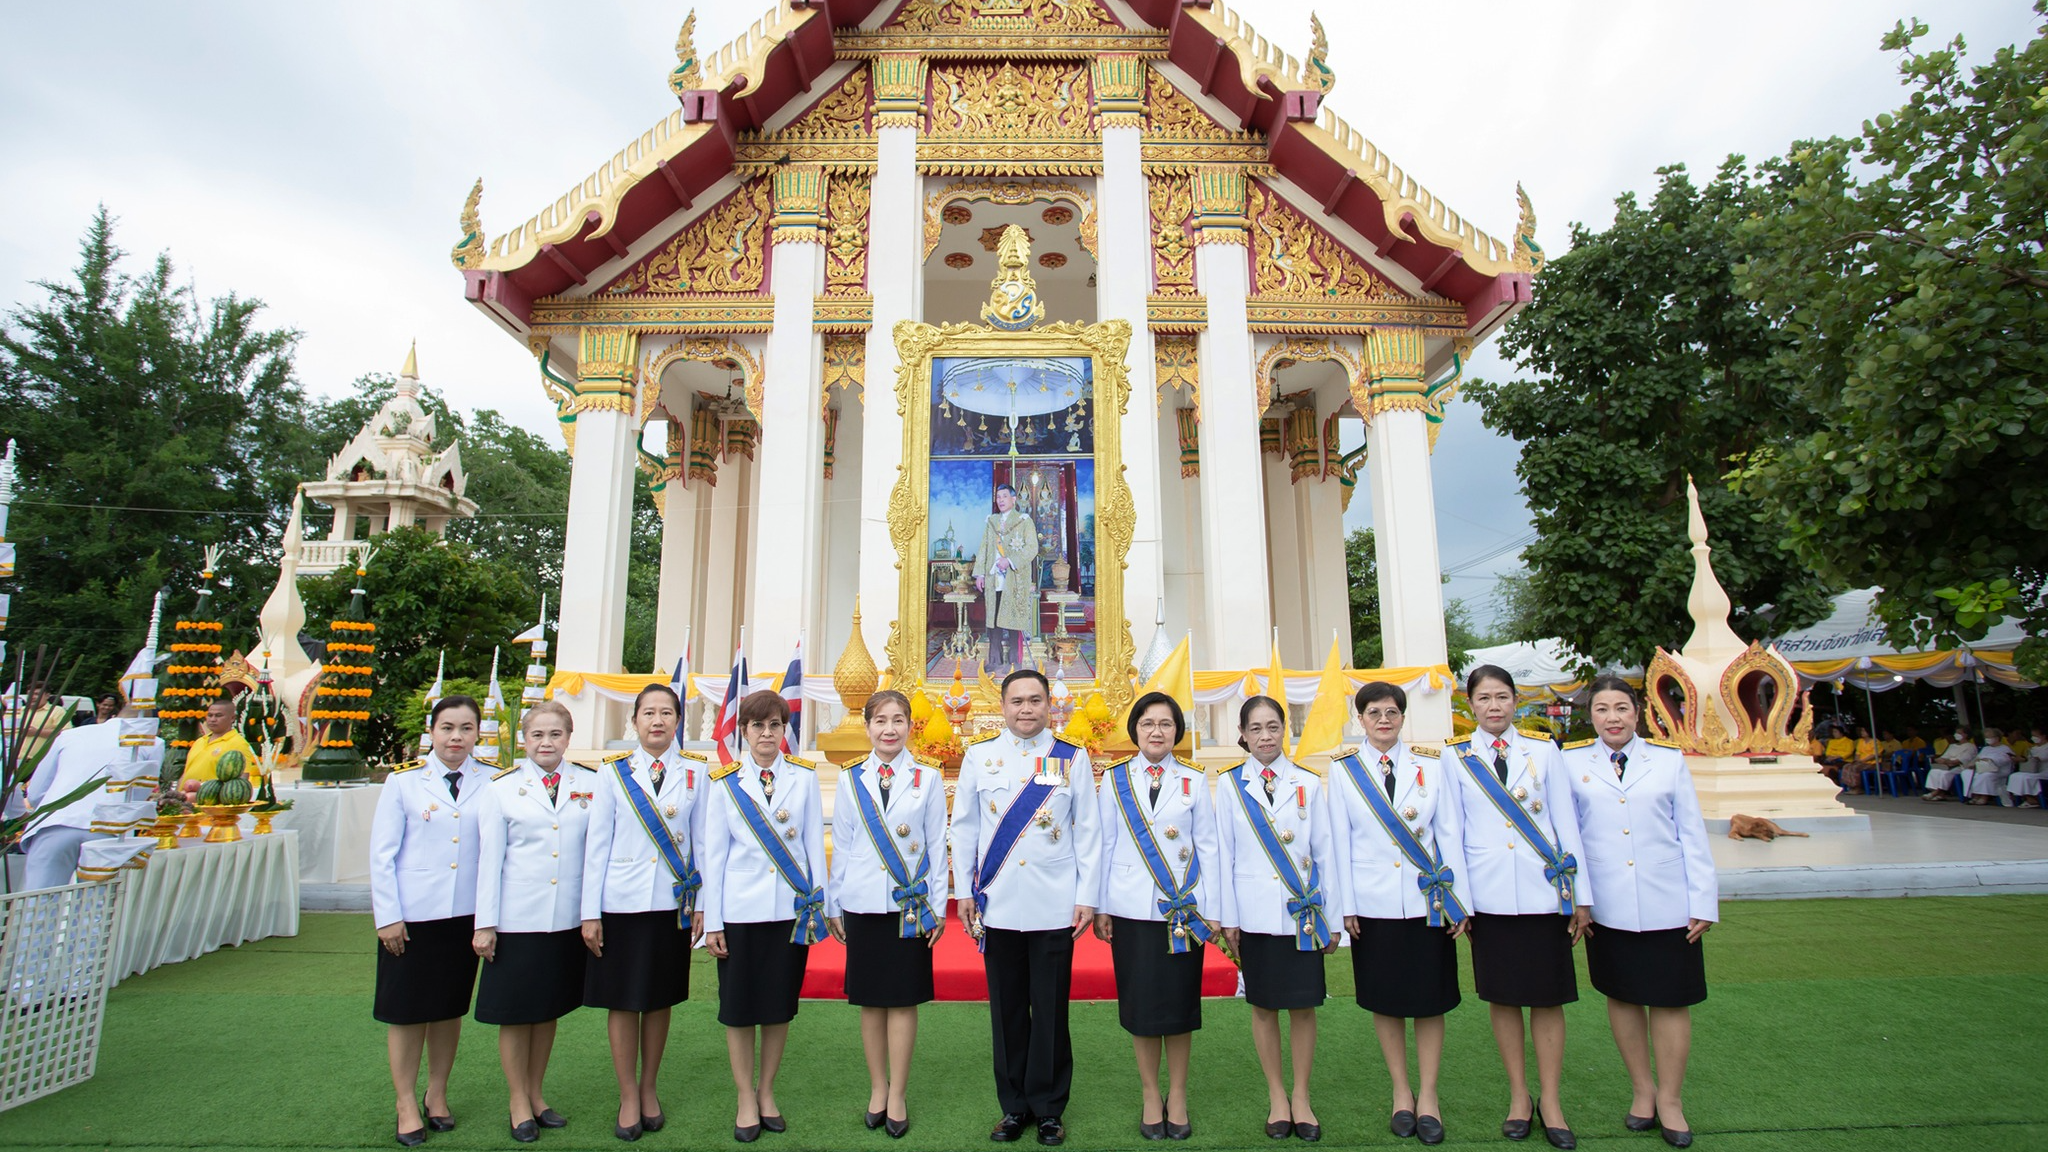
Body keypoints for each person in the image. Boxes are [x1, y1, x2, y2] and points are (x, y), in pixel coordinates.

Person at [1561, 677, 1717, 1151]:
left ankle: (1671, 1099)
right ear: (1591, 716)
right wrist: (1580, 901)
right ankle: (1642, 1092)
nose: (1613, 718)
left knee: (1671, 1000)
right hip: (1607, 906)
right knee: (1624, 997)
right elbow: (1571, 839)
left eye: (1622, 708)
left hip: (1669, 900)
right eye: (1603, 709)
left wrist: (1702, 900)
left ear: (1638, 713)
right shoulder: (1571, 763)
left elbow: (1691, 832)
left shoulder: (1668, 761)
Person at [951, 669, 1103, 1148]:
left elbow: (1088, 830)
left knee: (1052, 1008)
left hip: (1055, 903)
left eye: (1035, 700)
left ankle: (1050, 1108)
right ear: (1002, 704)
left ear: (1048, 704)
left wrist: (1086, 896)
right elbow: (965, 828)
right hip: (998, 902)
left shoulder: (1071, 756)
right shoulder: (980, 756)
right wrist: (962, 892)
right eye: (1016, 700)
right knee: (1008, 1010)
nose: (1026, 709)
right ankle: (1014, 1107)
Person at [1444, 666, 1587, 1149]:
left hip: (1545, 896)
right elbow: (1453, 833)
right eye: (1484, 699)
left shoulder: (1545, 751)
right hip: (1490, 899)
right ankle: (1519, 1097)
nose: (1494, 707)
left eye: (1502, 697)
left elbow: (1568, 826)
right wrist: (1460, 901)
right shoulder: (1455, 759)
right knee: (1503, 999)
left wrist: (1578, 897)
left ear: (1515, 700)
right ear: (1470, 705)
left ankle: (1552, 1100)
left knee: (1548, 999)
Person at [1330, 682, 1468, 1146]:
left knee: (1430, 1001)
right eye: (1373, 713)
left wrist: (1458, 901)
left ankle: (1428, 1095)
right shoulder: (1345, 771)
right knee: (1386, 1001)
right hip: (1372, 905)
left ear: (1402, 718)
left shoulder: (1432, 765)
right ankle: (1401, 1092)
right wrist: (1346, 906)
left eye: (1391, 712)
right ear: (1360, 720)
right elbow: (1338, 844)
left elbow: (1449, 835)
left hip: (1428, 905)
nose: (1383, 720)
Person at [371, 695, 496, 1147]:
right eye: (447, 728)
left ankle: (437, 1093)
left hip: (465, 916)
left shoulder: (492, 781)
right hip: (413, 917)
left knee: (447, 1009)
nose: (456, 737)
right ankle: (405, 1101)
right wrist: (388, 917)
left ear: (478, 733)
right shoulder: (403, 782)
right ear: (433, 730)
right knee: (405, 1012)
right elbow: (381, 855)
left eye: (466, 728)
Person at [703, 689, 828, 1143]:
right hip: (739, 912)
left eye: (775, 725)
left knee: (778, 1007)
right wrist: (712, 921)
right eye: (758, 726)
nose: (766, 734)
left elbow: (814, 845)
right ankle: (743, 1097)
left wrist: (823, 906)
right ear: (745, 731)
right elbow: (712, 857)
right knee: (738, 1010)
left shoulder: (804, 778)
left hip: (788, 911)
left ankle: (767, 1091)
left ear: (784, 730)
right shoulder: (724, 783)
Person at [580, 684, 704, 1142]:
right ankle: (627, 1093)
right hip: (621, 904)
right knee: (622, 1000)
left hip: (671, 906)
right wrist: (589, 912)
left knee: (658, 998)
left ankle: (649, 1087)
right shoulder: (613, 774)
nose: (658, 720)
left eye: (667, 713)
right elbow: (597, 846)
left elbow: (702, 844)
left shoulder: (695, 773)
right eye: (649, 712)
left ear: (677, 721)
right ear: (634, 721)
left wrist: (704, 905)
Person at [1095, 692, 1220, 1142]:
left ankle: (1179, 1095)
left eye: (1165, 724)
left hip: (1183, 911)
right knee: (1142, 1007)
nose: (1156, 732)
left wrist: (1214, 908)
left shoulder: (1192, 779)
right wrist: (1102, 906)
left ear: (1176, 732)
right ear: (1135, 730)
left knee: (1181, 1006)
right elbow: (1104, 845)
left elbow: (1208, 847)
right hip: (1131, 911)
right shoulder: (1115, 780)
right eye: (1147, 724)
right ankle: (1151, 1095)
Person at [824, 690, 949, 1139]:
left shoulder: (928, 777)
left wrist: (936, 907)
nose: (890, 729)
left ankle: (898, 1092)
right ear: (868, 726)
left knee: (903, 1000)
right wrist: (833, 902)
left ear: (910, 726)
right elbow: (843, 842)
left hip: (909, 907)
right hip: (862, 901)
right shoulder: (849, 777)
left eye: (898, 720)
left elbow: (937, 845)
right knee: (870, 1000)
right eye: (881, 721)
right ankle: (877, 1088)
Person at [1214, 695, 1336, 1142]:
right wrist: (1228, 919)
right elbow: (1222, 857)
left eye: (1273, 727)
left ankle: (1301, 1096)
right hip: (1254, 917)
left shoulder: (1308, 782)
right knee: (1264, 1007)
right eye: (1256, 729)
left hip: (1301, 915)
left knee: (1304, 1008)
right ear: (1242, 735)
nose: (1265, 737)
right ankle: (1277, 1097)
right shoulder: (1229, 786)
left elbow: (1325, 854)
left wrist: (1333, 918)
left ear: (1285, 731)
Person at [473, 701, 591, 1143]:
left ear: (568, 737)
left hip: (564, 919)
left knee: (547, 1011)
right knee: (516, 1013)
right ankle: (517, 1098)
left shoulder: (589, 784)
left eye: (555, 734)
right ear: (525, 740)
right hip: (517, 919)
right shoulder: (501, 788)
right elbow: (490, 862)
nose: (546, 743)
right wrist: (485, 923)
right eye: (537, 735)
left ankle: (538, 1094)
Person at [22, 682, 162, 890]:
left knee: (37, 901)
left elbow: (35, 791)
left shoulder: (72, 735)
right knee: (96, 907)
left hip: (57, 821)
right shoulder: (153, 742)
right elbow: (139, 793)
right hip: (107, 827)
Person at [973, 483, 1040, 671]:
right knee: (993, 621)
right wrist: (979, 574)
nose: (1000, 500)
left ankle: (1014, 662)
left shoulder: (1024, 521)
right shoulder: (991, 522)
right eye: (998, 496)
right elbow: (984, 548)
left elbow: (1032, 548)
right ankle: (994, 660)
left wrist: (1010, 560)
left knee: (1013, 620)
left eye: (1004, 496)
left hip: (1014, 580)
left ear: (1013, 499)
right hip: (994, 578)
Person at [180, 697, 261, 793]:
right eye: (210, 715)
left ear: (232, 718)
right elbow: (186, 773)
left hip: (210, 802)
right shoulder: (200, 741)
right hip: (185, 801)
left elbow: (241, 781)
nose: (212, 719)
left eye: (218, 716)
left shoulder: (238, 743)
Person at [1921, 727, 1977, 801]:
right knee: (1934, 772)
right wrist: (1943, 760)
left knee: (1946, 774)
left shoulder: (1970, 747)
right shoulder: (1952, 746)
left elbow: (1960, 760)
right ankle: (1940, 794)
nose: (1956, 735)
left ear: (1966, 735)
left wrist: (1948, 761)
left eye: (1959, 733)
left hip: (1961, 767)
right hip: (1947, 766)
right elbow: (1943, 757)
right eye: (1956, 733)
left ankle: (1936, 792)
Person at [1965, 728, 2018, 806]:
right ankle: (1976, 795)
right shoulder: (1986, 748)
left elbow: (2006, 760)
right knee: (1974, 774)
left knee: (1986, 775)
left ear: (1997, 738)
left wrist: (1991, 760)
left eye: (1990, 737)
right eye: (1986, 737)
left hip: (1999, 770)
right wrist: (1972, 763)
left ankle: (1984, 797)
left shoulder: (2005, 748)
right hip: (1984, 768)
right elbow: (1978, 758)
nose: (1987, 739)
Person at [2008, 727, 2048, 808]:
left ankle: (2032, 799)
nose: (2033, 738)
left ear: (2043, 736)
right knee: (2015, 776)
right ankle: (2027, 797)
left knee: (2024, 777)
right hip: (2033, 771)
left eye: (2035, 736)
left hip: (2044, 771)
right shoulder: (2032, 748)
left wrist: (2024, 759)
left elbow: (2041, 758)